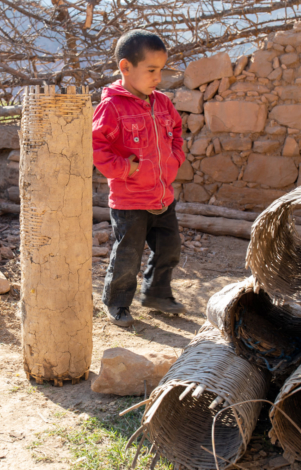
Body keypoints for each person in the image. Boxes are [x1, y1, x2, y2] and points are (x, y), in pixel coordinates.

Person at [92, 29, 187, 327]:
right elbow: (97, 146)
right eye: (151, 70)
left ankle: (157, 294)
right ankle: (117, 303)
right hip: (129, 200)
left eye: (161, 70)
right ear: (125, 67)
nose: (158, 77)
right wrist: (125, 169)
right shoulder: (111, 107)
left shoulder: (163, 103)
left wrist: (175, 159)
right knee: (127, 256)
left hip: (161, 196)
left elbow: (177, 133)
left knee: (170, 248)